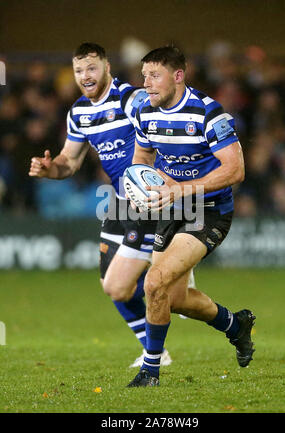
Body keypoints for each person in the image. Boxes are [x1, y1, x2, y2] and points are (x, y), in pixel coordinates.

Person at [28, 42, 194, 368]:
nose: (85, 76)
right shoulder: (78, 113)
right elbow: (69, 161)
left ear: (106, 68)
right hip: (120, 201)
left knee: (135, 288)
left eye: (92, 68)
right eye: (78, 71)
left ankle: (160, 343)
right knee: (114, 288)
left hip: (150, 201)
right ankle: (160, 341)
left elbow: (165, 128)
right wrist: (51, 170)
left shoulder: (131, 99)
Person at [127, 46, 256, 387]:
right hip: (172, 208)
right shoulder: (145, 110)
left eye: (154, 76)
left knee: (153, 283)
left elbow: (236, 169)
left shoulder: (207, 113)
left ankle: (149, 372)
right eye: (144, 76)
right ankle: (235, 325)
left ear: (178, 76)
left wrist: (181, 189)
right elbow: (142, 154)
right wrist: (140, 183)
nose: (146, 83)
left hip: (208, 211)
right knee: (175, 298)